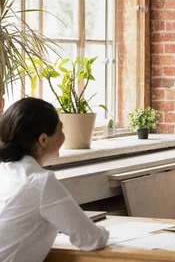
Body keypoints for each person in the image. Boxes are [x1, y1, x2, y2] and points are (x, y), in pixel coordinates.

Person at [0, 97, 109, 262]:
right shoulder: (40, 182)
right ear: (43, 139)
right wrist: (104, 232)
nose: (63, 136)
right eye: (61, 129)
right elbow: (90, 239)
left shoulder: (6, 171)